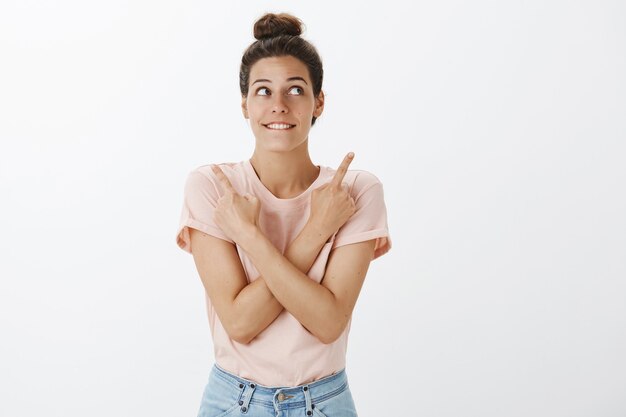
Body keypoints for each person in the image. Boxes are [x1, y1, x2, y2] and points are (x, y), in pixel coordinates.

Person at [175, 12, 392, 417]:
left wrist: (251, 236)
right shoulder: (212, 188)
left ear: (318, 102)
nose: (278, 106)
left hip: (324, 402)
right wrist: (317, 231)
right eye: (262, 91)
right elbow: (240, 322)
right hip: (232, 402)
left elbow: (328, 323)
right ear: (244, 105)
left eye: (295, 89)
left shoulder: (356, 191)